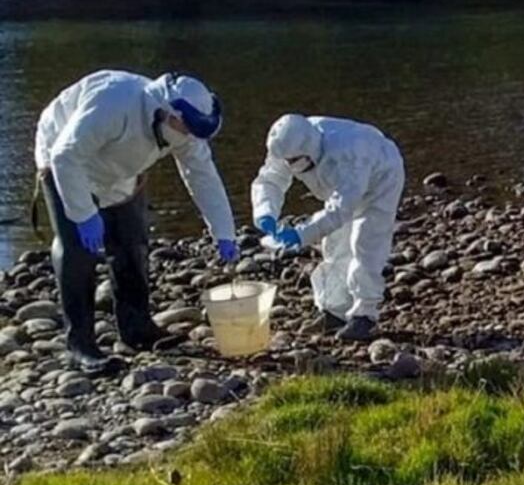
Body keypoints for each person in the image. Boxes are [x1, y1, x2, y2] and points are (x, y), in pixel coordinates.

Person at [35, 70, 239, 371]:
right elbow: (66, 155)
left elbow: (203, 176)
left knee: (132, 241)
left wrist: (224, 231)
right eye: (186, 129)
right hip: (65, 158)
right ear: (166, 113)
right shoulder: (114, 103)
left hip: (120, 169)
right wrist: (84, 214)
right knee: (78, 249)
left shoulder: (185, 128)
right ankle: (80, 346)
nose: (190, 139)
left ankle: (137, 328)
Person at [251, 114, 404, 341]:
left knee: (365, 242)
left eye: (293, 162)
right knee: (335, 244)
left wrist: (300, 235)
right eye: (286, 161)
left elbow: (340, 210)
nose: (289, 167)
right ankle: (335, 310)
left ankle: (365, 315)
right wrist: (265, 213)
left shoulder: (350, 153)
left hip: (381, 178)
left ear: (310, 151)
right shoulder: (287, 143)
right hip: (342, 186)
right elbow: (269, 180)